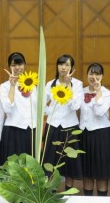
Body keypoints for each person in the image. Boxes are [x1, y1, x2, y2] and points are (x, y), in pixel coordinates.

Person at [42, 54, 83, 190]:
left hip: (70, 127)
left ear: (72, 67)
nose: (63, 67)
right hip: (53, 126)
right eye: (61, 64)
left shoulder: (77, 84)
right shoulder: (51, 84)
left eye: (67, 65)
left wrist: (68, 85)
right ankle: (50, 191)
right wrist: (49, 112)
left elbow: (75, 106)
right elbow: (41, 105)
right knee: (49, 160)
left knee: (70, 161)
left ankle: (68, 192)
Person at [79, 63, 110, 196]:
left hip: (101, 135)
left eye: (97, 74)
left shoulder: (107, 93)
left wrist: (98, 91)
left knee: (101, 172)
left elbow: (99, 112)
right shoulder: (81, 91)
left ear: (102, 76)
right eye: (91, 74)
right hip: (85, 134)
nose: (94, 77)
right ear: (87, 75)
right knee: (87, 172)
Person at [0, 52, 37, 163]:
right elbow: (8, 109)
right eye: (13, 65)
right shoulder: (5, 86)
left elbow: (39, 108)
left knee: (30, 167)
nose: (17, 68)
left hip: (31, 130)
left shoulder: (33, 85)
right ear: (9, 67)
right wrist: (12, 85)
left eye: (19, 64)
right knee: (14, 168)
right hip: (13, 131)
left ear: (25, 65)